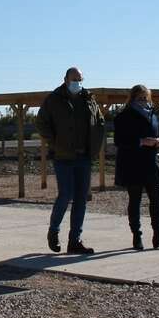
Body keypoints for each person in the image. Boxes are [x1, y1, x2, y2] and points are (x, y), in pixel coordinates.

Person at [36, 67, 104, 255]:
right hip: (63, 157)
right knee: (65, 195)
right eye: (74, 79)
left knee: (81, 198)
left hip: (84, 156)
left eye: (80, 79)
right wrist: (55, 143)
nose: (77, 83)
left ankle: (75, 240)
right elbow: (41, 123)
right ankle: (54, 231)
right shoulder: (54, 99)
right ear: (65, 79)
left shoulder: (89, 99)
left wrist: (95, 146)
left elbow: (99, 122)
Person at [114, 85, 159, 250]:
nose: (143, 101)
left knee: (156, 200)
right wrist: (141, 141)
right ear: (132, 98)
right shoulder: (124, 116)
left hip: (150, 162)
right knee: (135, 200)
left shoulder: (152, 114)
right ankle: (137, 236)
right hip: (132, 164)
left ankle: (158, 235)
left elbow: (156, 134)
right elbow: (119, 141)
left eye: (145, 98)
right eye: (140, 98)